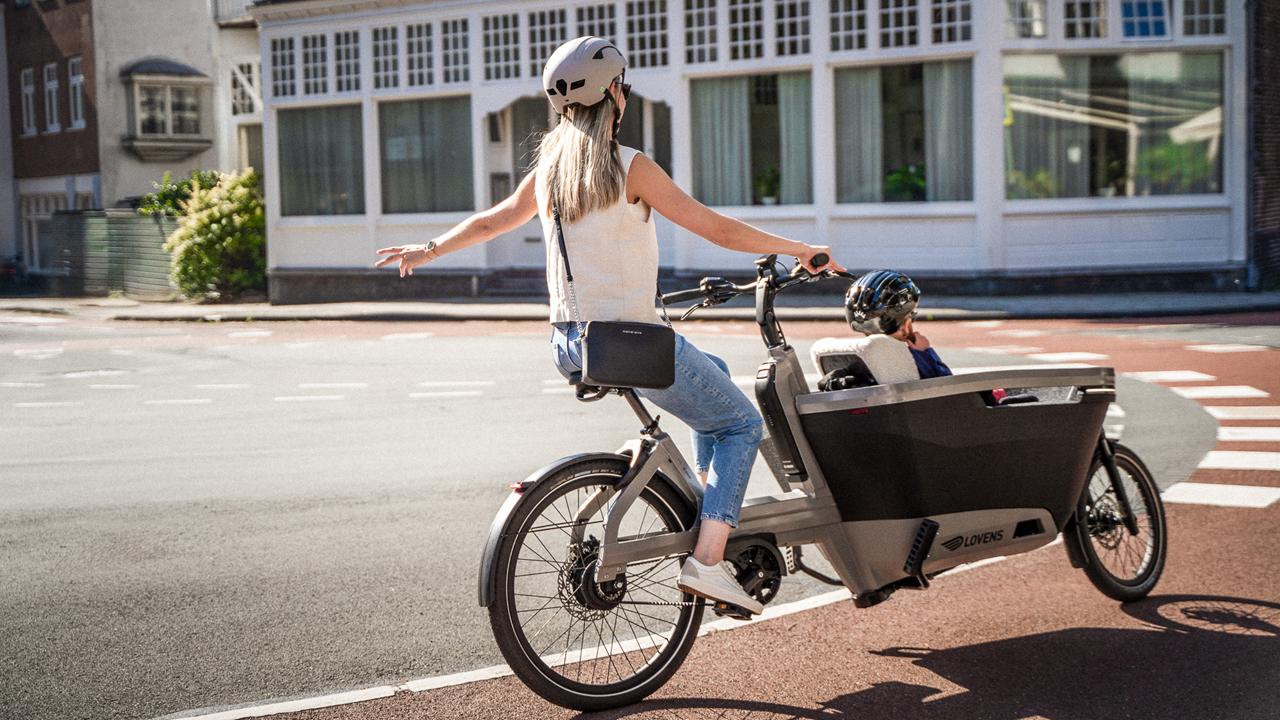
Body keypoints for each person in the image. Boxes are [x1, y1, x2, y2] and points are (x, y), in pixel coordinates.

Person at [375, 36, 844, 615]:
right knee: (741, 424)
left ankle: (700, 501)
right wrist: (800, 249)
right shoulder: (630, 166)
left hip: (572, 344)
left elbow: (493, 221)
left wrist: (427, 248)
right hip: (631, 343)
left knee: (715, 372)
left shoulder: (550, 172)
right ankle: (708, 560)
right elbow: (716, 229)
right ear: (615, 94)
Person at [845, 269, 951, 379]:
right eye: (911, 316)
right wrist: (925, 353)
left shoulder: (851, 366)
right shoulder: (913, 366)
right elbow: (948, 386)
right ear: (906, 327)